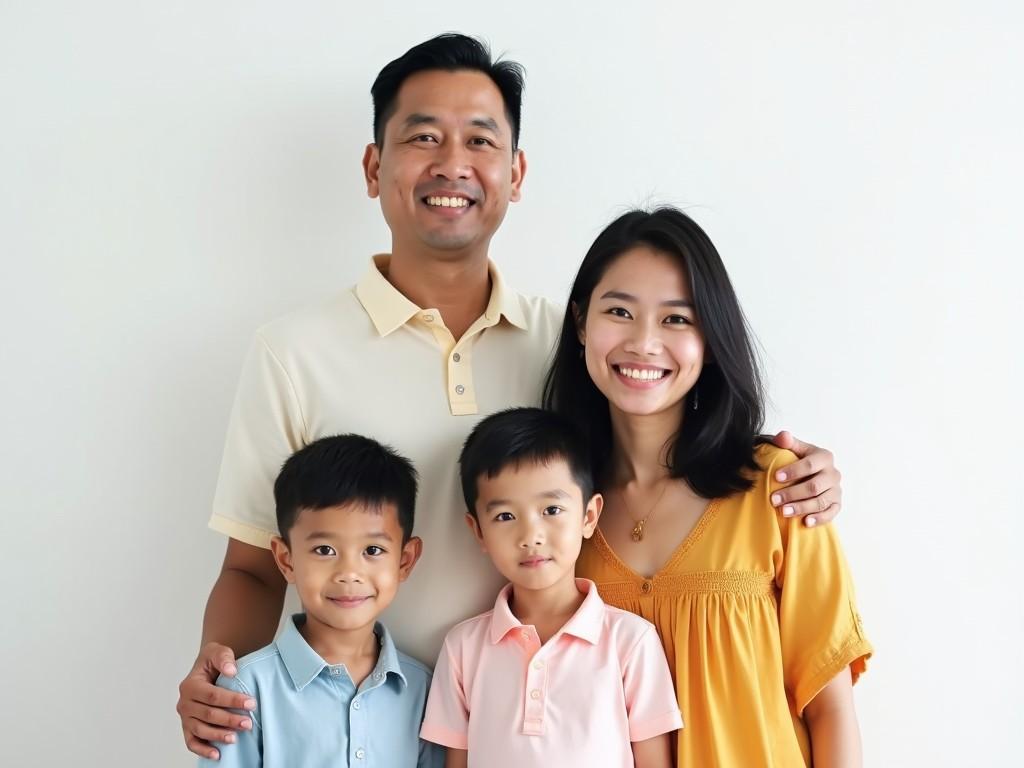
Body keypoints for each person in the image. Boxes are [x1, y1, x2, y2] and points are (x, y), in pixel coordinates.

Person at [177, 33, 844, 760]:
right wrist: (221, 680)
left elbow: (661, 446)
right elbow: (249, 568)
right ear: (374, 167)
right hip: (356, 731)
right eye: (423, 137)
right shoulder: (292, 352)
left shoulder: (573, 346)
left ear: (517, 173)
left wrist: (794, 469)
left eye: (480, 140)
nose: (452, 164)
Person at [544, 207, 873, 767]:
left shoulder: (780, 489)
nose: (644, 343)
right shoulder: (552, 515)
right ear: (580, 323)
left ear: (712, 338)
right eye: (619, 311)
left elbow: (830, 709)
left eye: (677, 319)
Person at [421, 408, 682, 767]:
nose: (531, 536)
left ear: (589, 516)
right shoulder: (462, 648)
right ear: (478, 530)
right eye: (505, 516)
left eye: (552, 509)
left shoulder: (630, 642)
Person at [198, 434, 443, 767]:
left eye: (372, 551)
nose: (348, 573)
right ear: (286, 560)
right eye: (324, 550)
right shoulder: (245, 688)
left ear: (405, 560)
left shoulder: (423, 689)